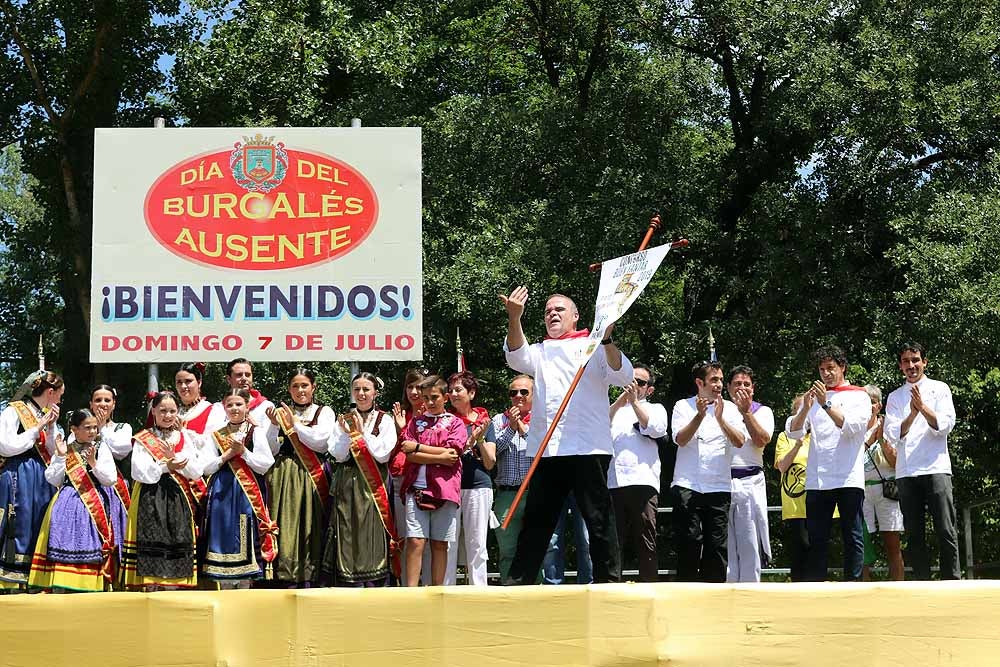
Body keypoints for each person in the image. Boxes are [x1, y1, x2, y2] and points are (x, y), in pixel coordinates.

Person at [500, 288, 632, 585]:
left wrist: (607, 339)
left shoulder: (594, 345)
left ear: (575, 316)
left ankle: (608, 582)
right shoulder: (541, 351)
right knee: (537, 521)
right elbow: (516, 358)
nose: (552, 314)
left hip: (588, 447)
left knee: (598, 521)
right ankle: (518, 583)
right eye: (547, 311)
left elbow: (624, 376)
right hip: (547, 450)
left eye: (559, 309)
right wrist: (514, 317)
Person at [786, 345, 870, 582]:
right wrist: (806, 406)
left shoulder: (859, 395)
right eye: (822, 369)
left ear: (842, 367)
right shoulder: (811, 397)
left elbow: (853, 428)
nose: (826, 373)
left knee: (852, 534)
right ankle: (816, 584)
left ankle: (852, 583)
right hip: (817, 478)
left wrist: (825, 404)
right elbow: (794, 433)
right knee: (817, 536)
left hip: (848, 476)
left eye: (831, 368)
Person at [883, 342, 959, 580]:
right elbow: (892, 433)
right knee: (914, 533)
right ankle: (921, 583)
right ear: (900, 366)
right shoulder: (895, 397)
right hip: (906, 471)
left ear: (924, 362)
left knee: (945, 528)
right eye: (906, 361)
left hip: (936, 467)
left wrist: (923, 408)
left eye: (915, 360)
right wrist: (913, 413)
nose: (911, 365)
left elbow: (945, 425)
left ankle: (952, 580)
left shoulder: (940, 388)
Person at [29, 409, 127, 592]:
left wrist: (93, 463)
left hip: (94, 501)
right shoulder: (67, 447)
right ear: (74, 429)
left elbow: (111, 479)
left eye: (95, 428)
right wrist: (59, 456)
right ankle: (63, 583)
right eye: (87, 427)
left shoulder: (101, 447)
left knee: (92, 541)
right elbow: (53, 479)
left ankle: (89, 584)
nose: (92, 432)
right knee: (62, 539)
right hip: (67, 502)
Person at [670, 361, 747, 582]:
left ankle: (715, 595)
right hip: (688, 483)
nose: (719, 384)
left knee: (717, 544)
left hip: (719, 484)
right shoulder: (682, 406)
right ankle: (686, 592)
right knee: (689, 541)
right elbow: (681, 440)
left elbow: (740, 441)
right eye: (714, 380)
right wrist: (700, 415)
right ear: (699, 382)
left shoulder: (730, 408)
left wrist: (720, 418)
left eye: (721, 380)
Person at [123, 391, 206, 590]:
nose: (168, 415)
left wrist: (175, 459)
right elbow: (139, 471)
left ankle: (174, 585)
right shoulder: (145, 438)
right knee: (152, 536)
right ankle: (151, 584)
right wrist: (166, 466)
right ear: (153, 411)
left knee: (177, 535)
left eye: (172, 411)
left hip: (177, 496)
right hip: (150, 496)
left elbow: (196, 471)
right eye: (163, 411)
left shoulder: (183, 436)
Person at [261, 369, 336, 587]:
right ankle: (281, 576)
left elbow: (321, 442)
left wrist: (294, 424)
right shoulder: (279, 413)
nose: (300, 390)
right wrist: (275, 425)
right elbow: (270, 449)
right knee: (283, 523)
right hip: (283, 475)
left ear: (314, 387)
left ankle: (310, 578)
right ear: (289, 389)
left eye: (304, 385)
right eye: (295, 386)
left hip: (311, 474)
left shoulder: (324, 412)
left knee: (310, 522)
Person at [323, 372, 398, 587]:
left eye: (366, 389)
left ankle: (375, 582)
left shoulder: (385, 420)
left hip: (373, 483)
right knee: (347, 530)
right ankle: (349, 580)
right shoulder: (343, 419)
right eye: (357, 389)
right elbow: (338, 454)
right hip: (347, 481)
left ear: (375, 393)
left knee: (372, 532)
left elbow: (382, 454)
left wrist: (361, 433)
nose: (361, 393)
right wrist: (349, 434)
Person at [200, 388, 276, 587]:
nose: (234, 408)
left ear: (247, 406)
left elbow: (265, 463)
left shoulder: (255, 432)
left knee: (245, 531)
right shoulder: (215, 435)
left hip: (246, 491)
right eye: (230, 404)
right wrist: (226, 456)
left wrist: (243, 452)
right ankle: (223, 585)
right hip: (222, 492)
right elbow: (206, 467)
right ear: (224, 407)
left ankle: (245, 584)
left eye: (239, 404)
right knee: (222, 532)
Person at [396, 375, 464, 586]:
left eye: (434, 397)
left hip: (444, 490)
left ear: (445, 397)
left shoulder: (455, 422)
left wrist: (419, 448)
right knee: (415, 541)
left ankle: (436, 591)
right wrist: (440, 455)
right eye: (426, 398)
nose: (429, 402)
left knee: (439, 543)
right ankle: (411, 591)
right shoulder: (416, 423)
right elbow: (408, 452)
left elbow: (453, 454)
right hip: (416, 489)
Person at [0, 370, 63, 589]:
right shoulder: (14, 410)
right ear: (51, 392)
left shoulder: (45, 415)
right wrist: (37, 428)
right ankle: (11, 577)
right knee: (19, 519)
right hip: (20, 471)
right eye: (59, 396)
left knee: (39, 520)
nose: (60, 401)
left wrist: (52, 425)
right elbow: (6, 445)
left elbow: (54, 451)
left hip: (42, 474)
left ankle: (35, 577)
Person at [608, 363, 668, 583]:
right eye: (631, 380)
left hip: (643, 481)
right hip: (614, 482)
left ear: (649, 389)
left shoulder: (655, 408)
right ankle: (610, 585)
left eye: (640, 382)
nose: (634, 385)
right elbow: (598, 427)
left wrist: (634, 402)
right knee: (613, 540)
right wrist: (620, 402)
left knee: (646, 538)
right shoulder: (614, 409)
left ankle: (649, 585)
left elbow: (657, 429)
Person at [774, 394, 839, 582]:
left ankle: (817, 586)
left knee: (819, 545)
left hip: (821, 498)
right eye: (802, 409)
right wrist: (797, 444)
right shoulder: (785, 436)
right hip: (795, 501)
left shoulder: (822, 435)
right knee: (801, 544)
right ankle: (798, 587)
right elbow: (782, 466)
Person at [445, 371, 496, 586]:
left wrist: (480, 438)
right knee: (449, 543)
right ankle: (446, 588)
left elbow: (490, 462)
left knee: (477, 542)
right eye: (451, 390)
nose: (454, 394)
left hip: (478, 487)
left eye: (459, 390)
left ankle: (479, 589)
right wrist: (468, 440)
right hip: (450, 487)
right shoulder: (445, 421)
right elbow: (449, 453)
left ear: (471, 393)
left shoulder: (485, 422)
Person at [725, 366, 775, 583]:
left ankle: (750, 590)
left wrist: (745, 412)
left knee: (750, 541)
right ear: (728, 388)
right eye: (737, 384)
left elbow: (762, 440)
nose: (742, 388)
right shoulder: (719, 411)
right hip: (721, 481)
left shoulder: (762, 411)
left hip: (750, 481)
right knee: (724, 543)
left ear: (753, 389)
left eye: (746, 384)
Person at [388, 367, 429, 585]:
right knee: (405, 536)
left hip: (426, 482)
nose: (414, 392)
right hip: (400, 479)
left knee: (427, 538)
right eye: (410, 387)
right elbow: (391, 450)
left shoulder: (434, 414)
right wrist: (397, 429)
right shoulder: (399, 415)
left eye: (419, 387)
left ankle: (430, 584)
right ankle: (405, 584)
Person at [491, 374, 534, 583]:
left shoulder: (542, 419)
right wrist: (511, 428)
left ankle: (539, 593)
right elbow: (492, 453)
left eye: (524, 391)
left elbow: (542, 450)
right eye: (513, 392)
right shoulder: (498, 420)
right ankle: (509, 591)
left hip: (535, 493)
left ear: (533, 394)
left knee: (542, 546)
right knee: (507, 549)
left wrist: (523, 428)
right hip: (506, 495)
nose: (518, 396)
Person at [860, 384, 904, 581]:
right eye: (864, 402)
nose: (868, 407)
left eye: (872, 402)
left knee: (892, 543)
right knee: (862, 543)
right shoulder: (854, 428)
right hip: (861, 490)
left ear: (879, 405)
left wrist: (883, 441)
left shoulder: (889, 426)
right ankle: (862, 590)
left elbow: (897, 463)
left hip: (887, 488)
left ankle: (899, 588)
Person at [206, 358, 275, 433]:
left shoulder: (266, 407)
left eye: (248, 375)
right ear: (229, 379)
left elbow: (271, 443)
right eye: (239, 375)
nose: (244, 378)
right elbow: (212, 439)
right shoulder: (217, 409)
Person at [89, 384, 134, 489]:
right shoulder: (81, 428)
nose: (102, 404)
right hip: (86, 488)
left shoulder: (123, 428)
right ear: (91, 404)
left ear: (113, 404)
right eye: (98, 400)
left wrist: (102, 428)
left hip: (114, 487)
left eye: (107, 400)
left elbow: (121, 453)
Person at [542, 494, 593, 584]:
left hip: (582, 486)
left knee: (586, 540)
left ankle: (587, 585)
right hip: (554, 486)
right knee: (552, 541)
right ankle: (553, 586)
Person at [173, 362, 213, 434]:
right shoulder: (171, 412)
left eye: (188, 381)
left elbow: (212, 442)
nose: (183, 386)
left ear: (199, 383)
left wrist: (182, 431)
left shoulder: (211, 411)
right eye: (179, 382)